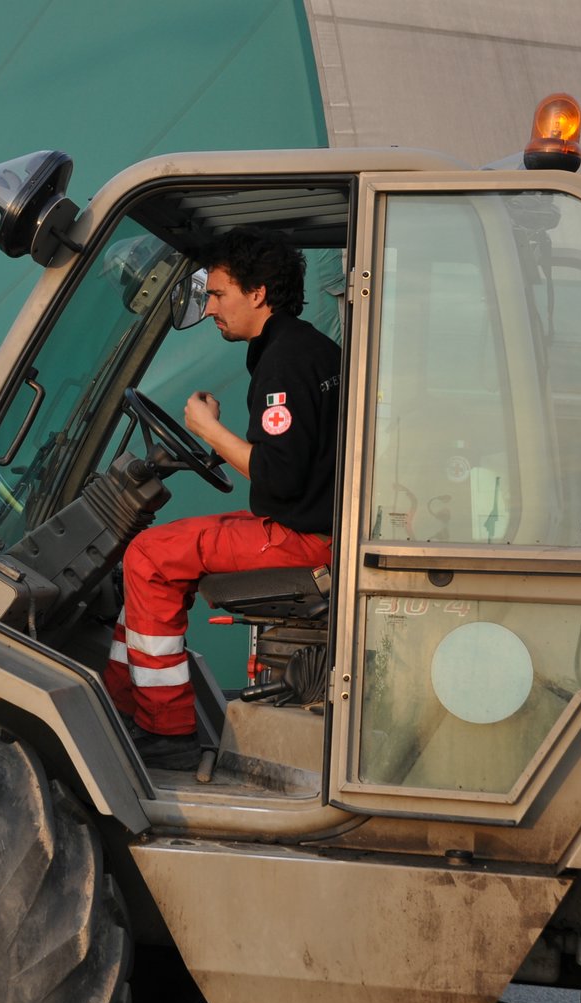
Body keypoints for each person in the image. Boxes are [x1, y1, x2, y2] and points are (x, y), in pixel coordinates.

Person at [104, 227, 341, 769]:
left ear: (258, 293)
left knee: (147, 556)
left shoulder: (283, 361)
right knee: (159, 553)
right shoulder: (306, 348)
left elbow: (277, 479)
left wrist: (208, 430)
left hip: (305, 538)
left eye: (218, 295)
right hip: (310, 521)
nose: (210, 309)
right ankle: (123, 702)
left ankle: (166, 731)